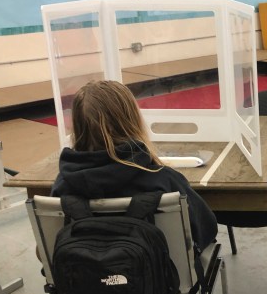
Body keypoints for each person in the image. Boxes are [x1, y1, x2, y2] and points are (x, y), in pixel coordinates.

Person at [51, 80, 217, 251]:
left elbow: (50, 244)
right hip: (161, 277)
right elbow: (207, 229)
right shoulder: (164, 180)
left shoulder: (63, 185)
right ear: (132, 121)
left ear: (77, 128)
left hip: (83, 276)